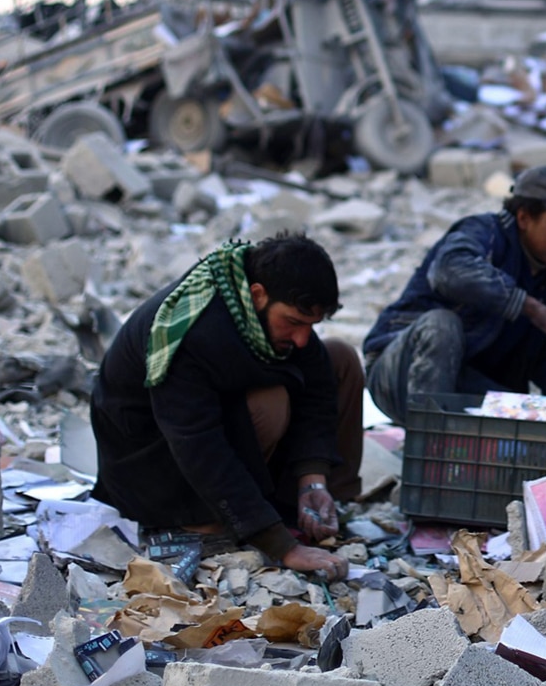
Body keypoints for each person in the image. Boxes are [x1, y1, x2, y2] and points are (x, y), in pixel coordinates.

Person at [91, 233, 363, 576]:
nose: (302, 338)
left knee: (340, 357)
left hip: (212, 432)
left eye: (310, 325)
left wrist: (313, 479)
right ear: (258, 295)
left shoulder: (262, 306)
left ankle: (318, 506)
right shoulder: (194, 331)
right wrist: (282, 546)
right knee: (271, 402)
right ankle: (211, 521)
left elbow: (319, 383)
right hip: (153, 469)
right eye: (293, 322)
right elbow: (198, 444)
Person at [365, 166, 546, 422]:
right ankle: (431, 443)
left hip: (466, 385)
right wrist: (529, 307)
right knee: (441, 325)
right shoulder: (484, 233)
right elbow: (447, 270)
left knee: (529, 416)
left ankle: (452, 448)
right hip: (400, 371)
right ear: (524, 218)